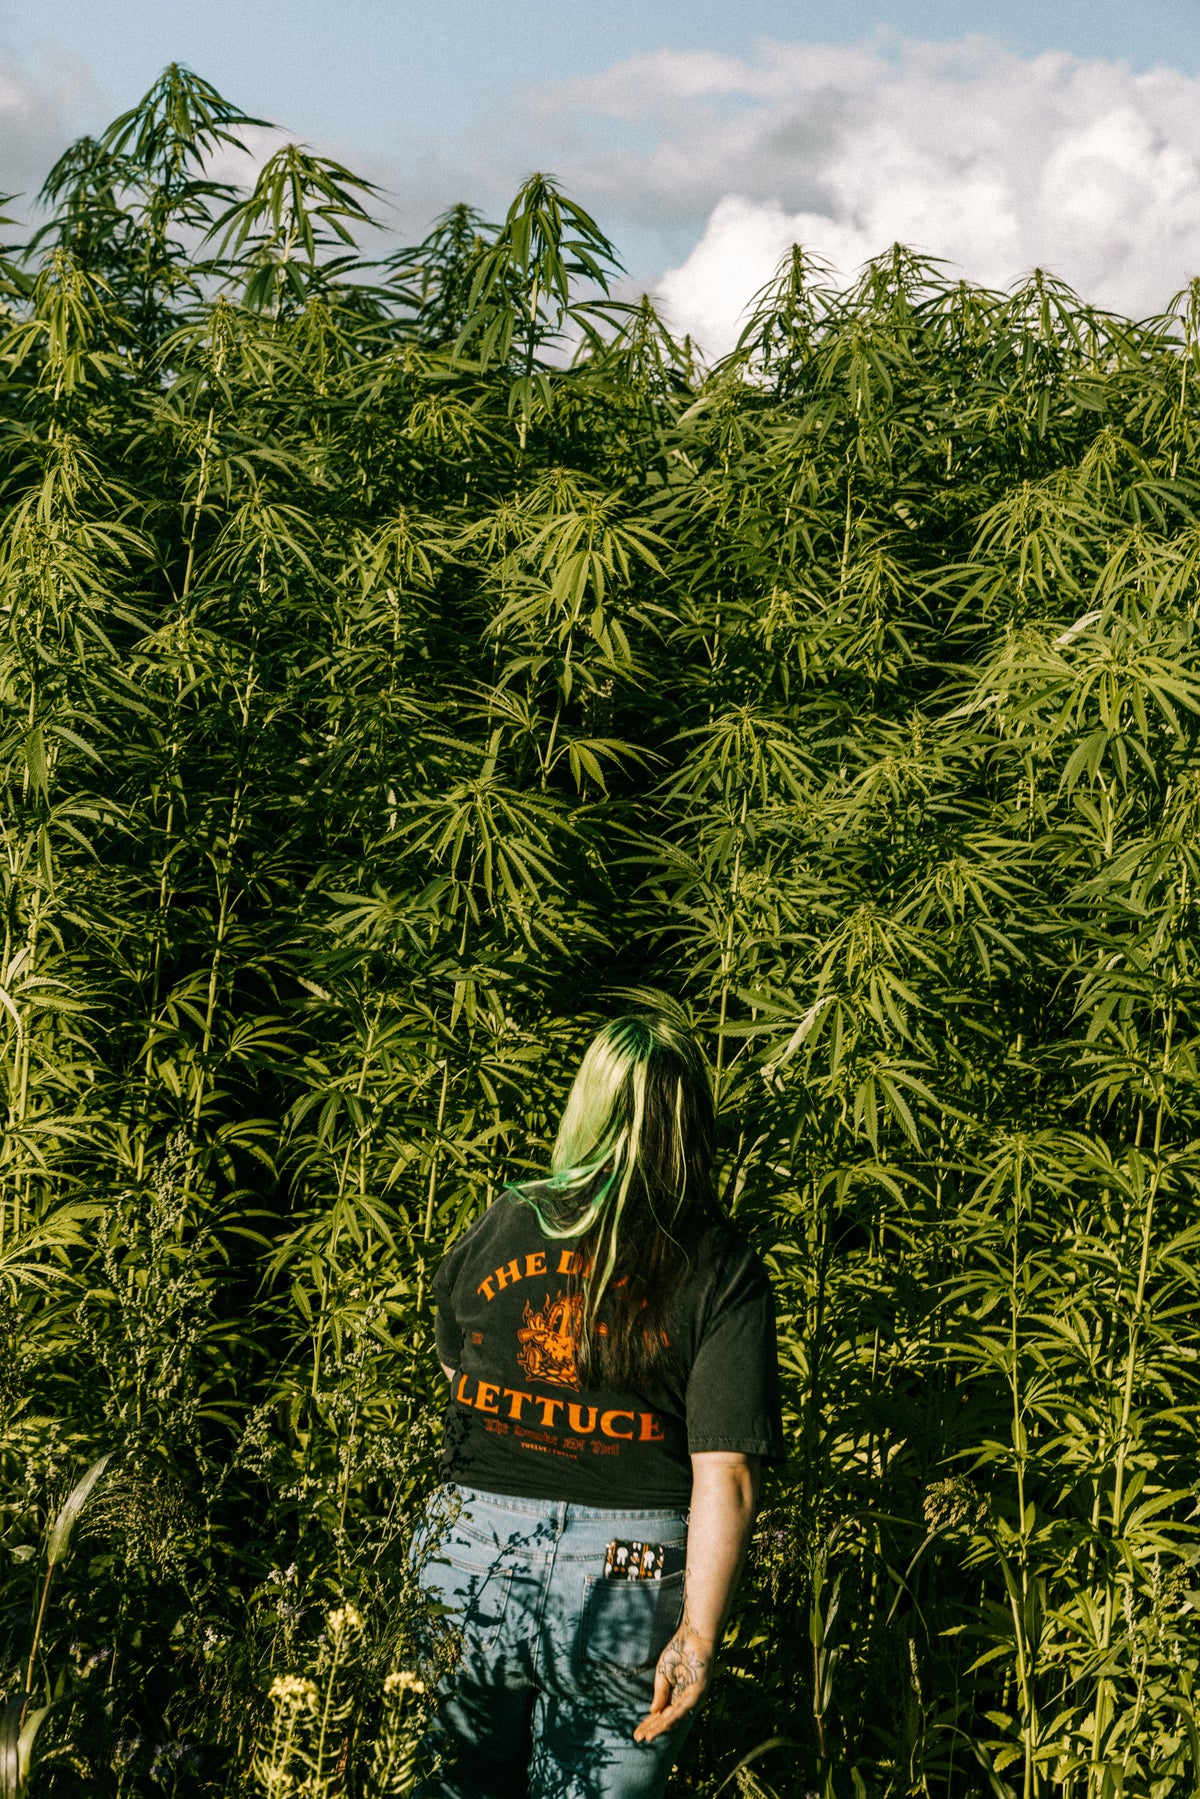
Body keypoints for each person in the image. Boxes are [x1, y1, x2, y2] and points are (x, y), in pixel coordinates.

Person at [414, 1010, 784, 1799]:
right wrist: (696, 1637)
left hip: (472, 1551)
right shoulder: (719, 1263)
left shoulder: (508, 1217)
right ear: (690, 1121)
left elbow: (456, 1368)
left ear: (586, 1102)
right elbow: (727, 1473)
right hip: (629, 1567)